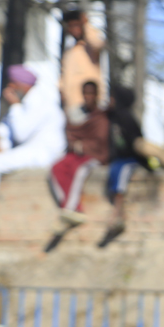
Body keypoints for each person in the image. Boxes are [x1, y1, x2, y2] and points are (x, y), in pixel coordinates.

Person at [0, 64, 67, 255]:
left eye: (12, 85)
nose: (10, 89)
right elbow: (6, 127)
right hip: (30, 150)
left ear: (21, 85)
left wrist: (14, 105)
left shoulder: (41, 101)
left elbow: (20, 132)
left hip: (43, 153)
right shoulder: (25, 103)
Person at [49, 80, 110, 229]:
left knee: (79, 170)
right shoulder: (77, 114)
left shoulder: (101, 117)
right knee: (57, 168)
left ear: (96, 95)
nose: (88, 96)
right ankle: (70, 207)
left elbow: (101, 141)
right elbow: (72, 131)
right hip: (76, 154)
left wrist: (82, 145)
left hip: (94, 156)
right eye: (85, 93)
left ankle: (69, 210)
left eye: (91, 93)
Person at [99, 85, 150, 247]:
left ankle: (117, 213)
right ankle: (118, 213)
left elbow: (136, 143)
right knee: (114, 172)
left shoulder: (127, 118)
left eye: (113, 97)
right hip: (117, 160)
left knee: (121, 174)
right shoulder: (111, 117)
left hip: (130, 159)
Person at [59, 9, 105, 119]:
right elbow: (63, 78)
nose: (74, 29)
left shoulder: (90, 48)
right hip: (71, 107)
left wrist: (86, 24)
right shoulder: (70, 52)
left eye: (76, 25)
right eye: (71, 26)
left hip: (89, 106)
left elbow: (97, 42)